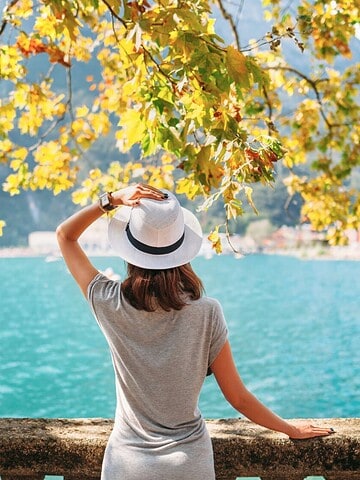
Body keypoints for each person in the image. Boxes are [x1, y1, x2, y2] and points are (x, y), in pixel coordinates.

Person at [56, 183, 334, 480]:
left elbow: (65, 236)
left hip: (127, 464)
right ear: (182, 249)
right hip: (189, 464)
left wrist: (110, 200)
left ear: (130, 249)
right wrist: (290, 429)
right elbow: (238, 397)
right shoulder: (207, 312)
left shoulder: (109, 302)